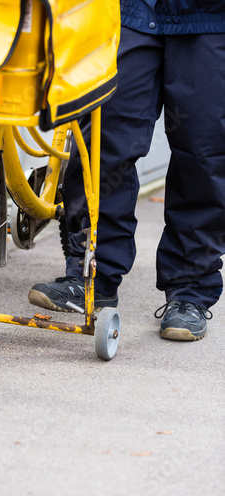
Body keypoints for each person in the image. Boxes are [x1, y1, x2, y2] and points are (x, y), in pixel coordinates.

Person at [28, 1, 225, 341]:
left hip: (209, 17)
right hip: (132, 12)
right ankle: (92, 274)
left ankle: (190, 291)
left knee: (203, 154)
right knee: (105, 142)